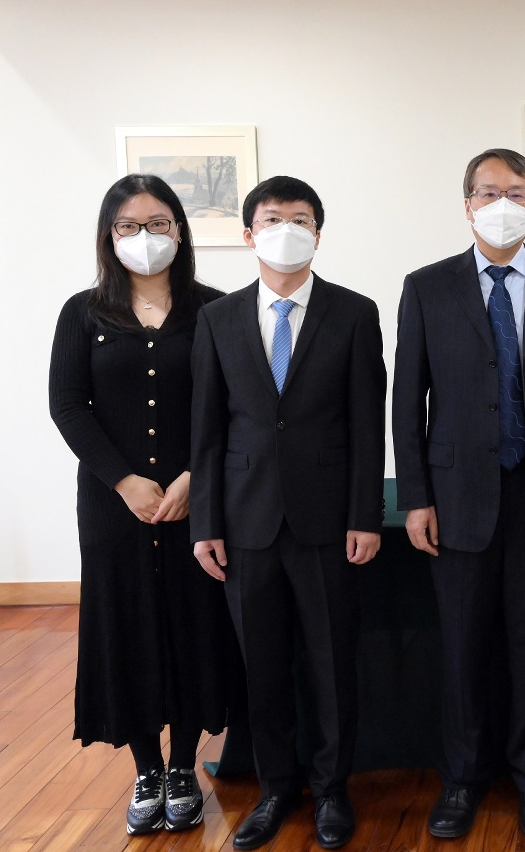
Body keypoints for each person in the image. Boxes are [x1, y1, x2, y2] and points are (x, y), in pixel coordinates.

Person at [393, 148, 525, 840]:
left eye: (516, 192)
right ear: (467, 205)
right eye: (489, 192)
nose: (502, 204)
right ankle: (462, 779)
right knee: (462, 649)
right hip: (456, 499)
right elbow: (407, 400)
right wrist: (416, 497)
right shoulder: (426, 286)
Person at [190, 176, 386, 850]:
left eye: (300, 219)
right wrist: (205, 524)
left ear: (318, 234)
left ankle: (332, 791)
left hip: (329, 522)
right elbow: (207, 431)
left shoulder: (354, 312)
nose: (286, 230)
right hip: (244, 524)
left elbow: (367, 425)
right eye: (272, 219)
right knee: (264, 667)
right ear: (249, 234)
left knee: (331, 666)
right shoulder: (217, 319)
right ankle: (276, 788)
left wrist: (364, 516)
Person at [49, 174, 241, 837]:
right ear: (109, 236)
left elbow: (232, 406)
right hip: (114, 505)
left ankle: (183, 764)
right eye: (128, 226)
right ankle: (145, 769)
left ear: (180, 231)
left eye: (158, 223)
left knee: (192, 621)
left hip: (196, 500)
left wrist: (194, 479)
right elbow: (68, 405)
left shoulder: (215, 310)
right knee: (125, 623)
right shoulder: (83, 313)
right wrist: (123, 481)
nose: (144, 236)